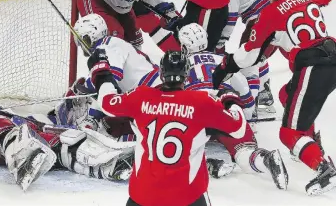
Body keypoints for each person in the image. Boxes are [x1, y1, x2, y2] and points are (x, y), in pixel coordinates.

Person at [0, 19, 134, 191]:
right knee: (0, 129)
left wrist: (71, 103)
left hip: (30, 128)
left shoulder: (10, 112)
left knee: (66, 140)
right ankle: (22, 155)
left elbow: (55, 120)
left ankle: (107, 163)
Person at [212, 0, 336, 195]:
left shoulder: (270, 13)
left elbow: (248, 55)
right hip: (330, 54)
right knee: (286, 94)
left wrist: (224, 68)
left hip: (314, 64)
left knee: (288, 132)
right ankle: (310, 144)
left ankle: (322, 166)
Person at [89, 48, 247, 206]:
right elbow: (238, 128)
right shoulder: (201, 102)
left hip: (143, 197)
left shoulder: (141, 96)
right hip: (187, 197)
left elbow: (106, 102)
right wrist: (230, 100)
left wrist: (102, 72)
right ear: (186, 75)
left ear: (161, 74)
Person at [178, 23, 288, 189]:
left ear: (185, 46)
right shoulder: (221, 59)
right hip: (226, 101)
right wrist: (249, 119)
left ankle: (208, 162)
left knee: (180, 144)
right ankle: (265, 159)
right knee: (243, 148)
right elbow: (243, 87)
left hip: (196, 105)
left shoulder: (177, 64)